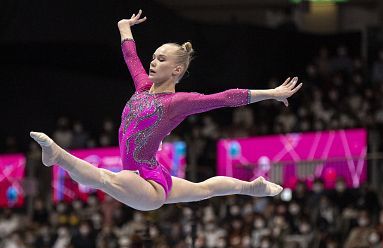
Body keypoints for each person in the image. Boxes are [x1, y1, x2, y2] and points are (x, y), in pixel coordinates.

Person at [30, 10, 302, 211]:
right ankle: (252, 187)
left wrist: (272, 94)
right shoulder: (142, 88)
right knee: (203, 189)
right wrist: (124, 26)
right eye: (153, 56)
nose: (153, 61)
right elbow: (131, 56)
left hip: (143, 183)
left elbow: (225, 98)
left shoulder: (177, 102)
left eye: (161, 59)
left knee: (104, 178)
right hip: (152, 175)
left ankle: (57, 156)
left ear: (177, 70)